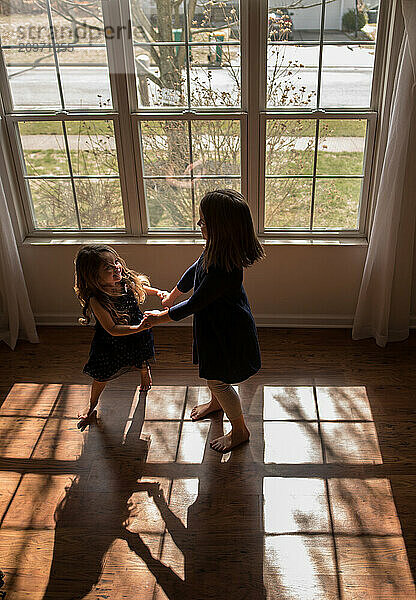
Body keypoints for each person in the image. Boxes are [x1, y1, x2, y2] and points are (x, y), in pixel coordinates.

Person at [141, 189, 265, 452]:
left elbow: (196, 303)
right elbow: (193, 271)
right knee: (213, 373)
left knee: (218, 379)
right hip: (213, 325)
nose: (199, 225)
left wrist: (158, 319)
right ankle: (216, 403)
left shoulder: (225, 268)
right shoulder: (215, 249)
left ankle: (240, 430)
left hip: (227, 331)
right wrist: (173, 294)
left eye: (204, 222)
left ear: (220, 228)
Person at [74, 244, 168, 430]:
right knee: (101, 375)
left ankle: (143, 371)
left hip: (137, 333)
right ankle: (92, 405)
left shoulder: (124, 281)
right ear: (94, 276)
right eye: (108, 267)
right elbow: (112, 329)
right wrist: (139, 327)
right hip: (111, 343)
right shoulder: (97, 299)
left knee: (140, 356)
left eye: (116, 262)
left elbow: (139, 285)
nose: (117, 267)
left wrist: (158, 292)